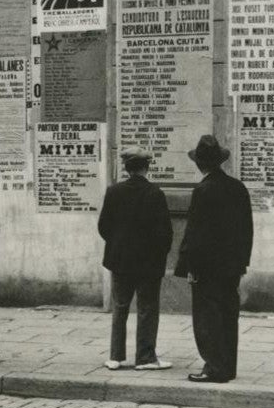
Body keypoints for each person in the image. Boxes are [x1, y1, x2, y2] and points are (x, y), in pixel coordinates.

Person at [174, 135, 253, 383]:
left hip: (207, 268)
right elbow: (246, 229)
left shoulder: (203, 190)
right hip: (232, 266)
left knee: (208, 318)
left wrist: (190, 266)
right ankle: (228, 367)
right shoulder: (237, 187)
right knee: (229, 315)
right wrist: (242, 262)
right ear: (219, 161)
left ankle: (214, 367)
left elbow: (195, 233)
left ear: (199, 164)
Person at [98, 146, 173, 371]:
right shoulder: (155, 193)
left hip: (119, 260)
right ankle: (145, 357)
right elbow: (165, 233)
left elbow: (104, 227)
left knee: (120, 307)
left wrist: (117, 245)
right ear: (147, 167)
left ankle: (115, 357)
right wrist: (160, 254)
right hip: (149, 263)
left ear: (126, 167)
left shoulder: (113, 192)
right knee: (147, 309)